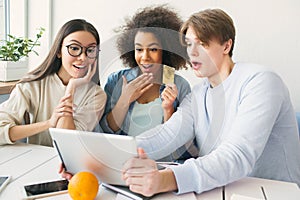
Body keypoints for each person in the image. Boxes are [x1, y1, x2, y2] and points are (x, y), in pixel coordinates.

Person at [122, 8, 300, 196]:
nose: (192, 52)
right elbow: (168, 134)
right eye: (189, 45)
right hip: (223, 188)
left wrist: (168, 179)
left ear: (226, 46)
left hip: (273, 192)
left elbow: (238, 154)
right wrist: (122, 151)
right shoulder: (198, 94)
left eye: (202, 44)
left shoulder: (260, 81)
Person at [100, 5, 198, 161]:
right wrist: (124, 100)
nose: (144, 57)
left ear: (165, 51)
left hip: (161, 168)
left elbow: (180, 146)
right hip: (122, 163)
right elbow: (104, 134)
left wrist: (168, 110)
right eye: (139, 49)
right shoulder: (116, 81)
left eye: (153, 49)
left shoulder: (179, 86)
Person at [0, 19, 107, 146]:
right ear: (58, 51)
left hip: (71, 163)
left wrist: (71, 87)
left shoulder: (97, 95)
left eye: (90, 50)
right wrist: (49, 123)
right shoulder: (33, 85)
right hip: (34, 159)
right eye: (74, 48)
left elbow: (66, 143)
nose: (83, 57)